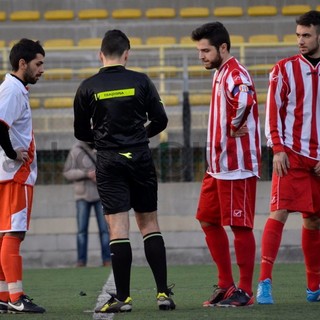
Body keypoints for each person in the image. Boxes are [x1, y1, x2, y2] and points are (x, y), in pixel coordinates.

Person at [73, 29, 175, 313]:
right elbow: (161, 119)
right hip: (140, 157)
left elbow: (81, 131)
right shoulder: (141, 81)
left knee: (118, 228)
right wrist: (140, 137)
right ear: (127, 54)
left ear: (100, 55)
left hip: (108, 160)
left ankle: (123, 298)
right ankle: (163, 294)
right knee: (149, 224)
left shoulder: (87, 87)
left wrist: (104, 143)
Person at [191, 22, 261, 307]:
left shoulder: (236, 73)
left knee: (239, 226)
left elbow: (245, 97)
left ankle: (244, 290)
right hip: (217, 166)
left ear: (223, 48)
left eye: (205, 50)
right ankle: (225, 285)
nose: (201, 56)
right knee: (207, 219)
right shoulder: (220, 72)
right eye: (199, 51)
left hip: (236, 165)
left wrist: (235, 124)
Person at [256, 10, 320, 304]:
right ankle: (264, 283)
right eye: (298, 35)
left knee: (315, 220)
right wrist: (277, 148)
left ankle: (314, 287)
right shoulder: (283, 69)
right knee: (279, 212)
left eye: (306, 35)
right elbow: (272, 113)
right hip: (291, 154)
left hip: (318, 160)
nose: (300, 41)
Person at [0, 39, 46, 314]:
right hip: (16, 175)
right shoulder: (13, 90)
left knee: (6, 234)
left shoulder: (12, 88)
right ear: (22, 63)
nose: (42, 70)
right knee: (14, 234)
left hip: (8, 175)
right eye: (38, 64)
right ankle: (16, 296)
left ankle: (5, 296)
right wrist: (12, 153)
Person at [63, 140, 111, 267]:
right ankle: (81, 261)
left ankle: (107, 260)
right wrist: (86, 174)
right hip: (82, 195)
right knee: (82, 231)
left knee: (104, 230)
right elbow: (67, 172)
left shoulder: (103, 146)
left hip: (101, 194)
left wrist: (100, 174)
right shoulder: (76, 149)